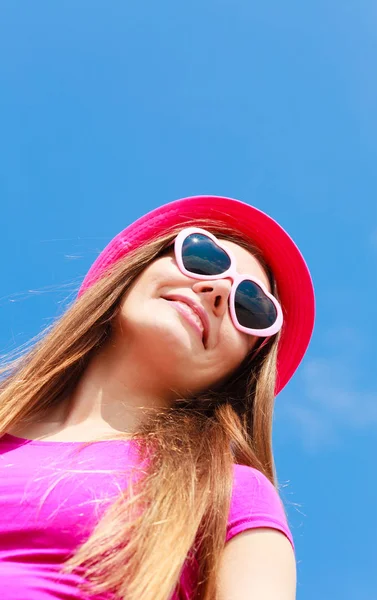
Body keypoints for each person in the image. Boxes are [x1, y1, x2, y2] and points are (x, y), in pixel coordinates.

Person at [0, 195, 315, 600]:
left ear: (240, 370)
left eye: (250, 307)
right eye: (203, 257)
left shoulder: (227, 493)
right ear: (135, 270)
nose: (217, 289)